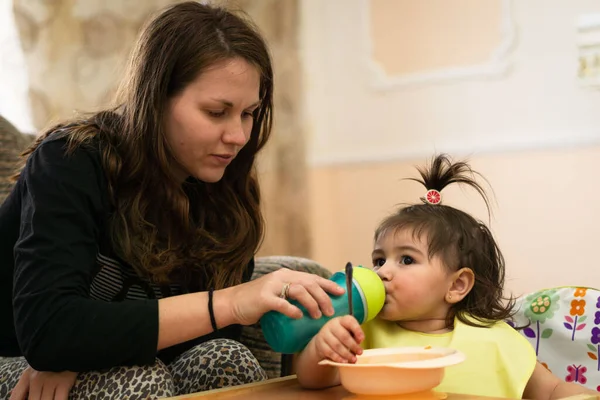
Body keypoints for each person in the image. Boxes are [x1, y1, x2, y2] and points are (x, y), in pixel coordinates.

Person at [0, 2, 344, 399]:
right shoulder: (70, 161)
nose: (238, 136)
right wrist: (231, 301)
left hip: (92, 356)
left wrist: (89, 345)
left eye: (248, 113)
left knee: (225, 357)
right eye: (217, 112)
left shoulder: (222, 183)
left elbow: (206, 336)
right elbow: (49, 331)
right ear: (156, 98)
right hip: (16, 358)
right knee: (136, 379)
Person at [294, 154, 597, 399]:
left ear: (457, 285)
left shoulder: (495, 339)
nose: (382, 272)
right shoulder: (363, 333)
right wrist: (322, 347)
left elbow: (552, 389)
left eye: (407, 259)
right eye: (379, 259)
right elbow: (312, 382)